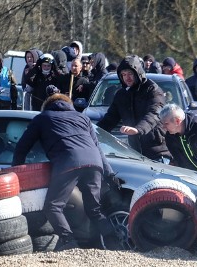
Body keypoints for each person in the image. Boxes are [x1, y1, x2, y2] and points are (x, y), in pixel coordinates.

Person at [12, 91, 118, 251]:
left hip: (69, 162)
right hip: (94, 162)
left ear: (47, 106)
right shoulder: (83, 118)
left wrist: (16, 171)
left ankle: (69, 242)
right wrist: (109, 174)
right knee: (94, 209)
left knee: (53, 206)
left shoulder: (43, 118)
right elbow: (98, 149)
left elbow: (22, 147)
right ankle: (116, 242)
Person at [97, 55, 171, 162]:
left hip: (158, 152)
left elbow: (154, 113)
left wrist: (138, 129)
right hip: (135, 153)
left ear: (138, 72)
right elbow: (109, 119)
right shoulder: (121, 95)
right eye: (123, 74)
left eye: (130, 73)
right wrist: (93, 133)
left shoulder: (153, 90)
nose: (127, 78)